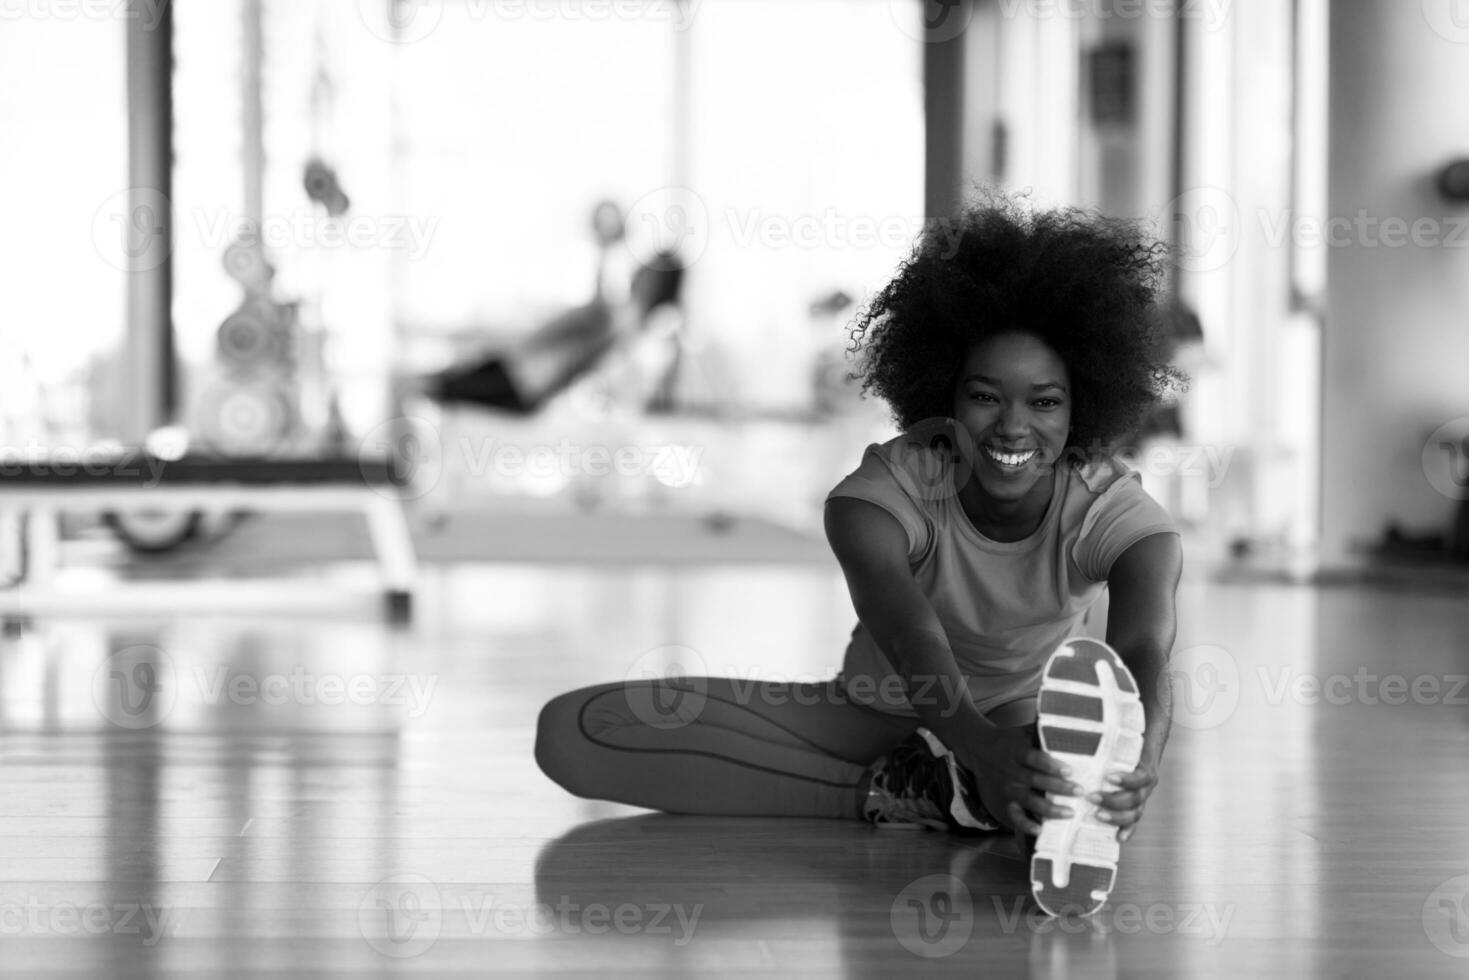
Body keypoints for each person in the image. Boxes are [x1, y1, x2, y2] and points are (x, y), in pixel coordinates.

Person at [534, 193, 1186, 917]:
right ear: (941, 392)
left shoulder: (1115, 512)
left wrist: (1141, 756)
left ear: (1082, 405)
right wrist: (970, 749)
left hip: (1017, 728)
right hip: (872, 714)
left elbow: (1141, 646)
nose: (1011, 425)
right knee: (573, 734)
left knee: (1041, 754)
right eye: (982, 396)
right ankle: (932, 796)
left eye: (1043, 402)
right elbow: (909, 631)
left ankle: (967, 791)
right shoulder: (874, 496)